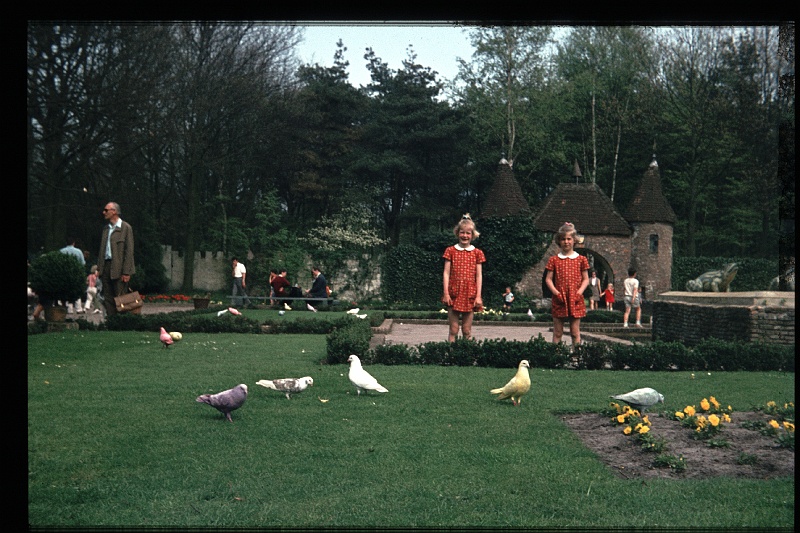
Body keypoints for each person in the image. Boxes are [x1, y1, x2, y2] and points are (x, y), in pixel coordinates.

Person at [544, 222, 590, 345]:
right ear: (559, 241)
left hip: (576, 298)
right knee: (558, 332)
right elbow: (548, 279)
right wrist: (555, 292)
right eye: (563, 239)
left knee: (575, 332)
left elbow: (586, 279)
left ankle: (577, 357)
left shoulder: (581, 259)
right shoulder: (554, 260)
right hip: (560, 298)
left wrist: (579, 293)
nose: (566, 242)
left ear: (574, 240)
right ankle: (556, 357)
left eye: (569, 239)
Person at [442, 214, 486, 342]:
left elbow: (479, 275)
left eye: (468, 233)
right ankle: (451, 357)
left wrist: (478, 296)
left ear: (472, 235)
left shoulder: (477, 253)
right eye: (462, 232)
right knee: (453, 330)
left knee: (466, 330)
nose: (465, 236)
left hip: (469, 294)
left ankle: (466, 356)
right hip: (453, 293)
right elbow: (446, 273)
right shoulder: (450, 251)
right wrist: (446, 293)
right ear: (457, 233)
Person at [96, 201, 135, 317]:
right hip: (106, 266)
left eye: (106, 210)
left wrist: (126, 271)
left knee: (121, 296)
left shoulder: (126, 228)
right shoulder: (106, 229)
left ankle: (122, 321)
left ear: (114, 212)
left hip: (119, 267)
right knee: (107, 296)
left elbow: (129, 251)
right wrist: (99, 268)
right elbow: (102, 251)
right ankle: (111, 321)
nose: (104, 213)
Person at [60, 236, 85, 314]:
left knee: (67, 290)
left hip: (65, 273)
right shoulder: (78, 251)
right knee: (76, 290)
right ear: (74, 243)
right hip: (76, 273)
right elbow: (83, 263)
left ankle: (69, 309)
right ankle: (78, 308)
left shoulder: (61, 251)